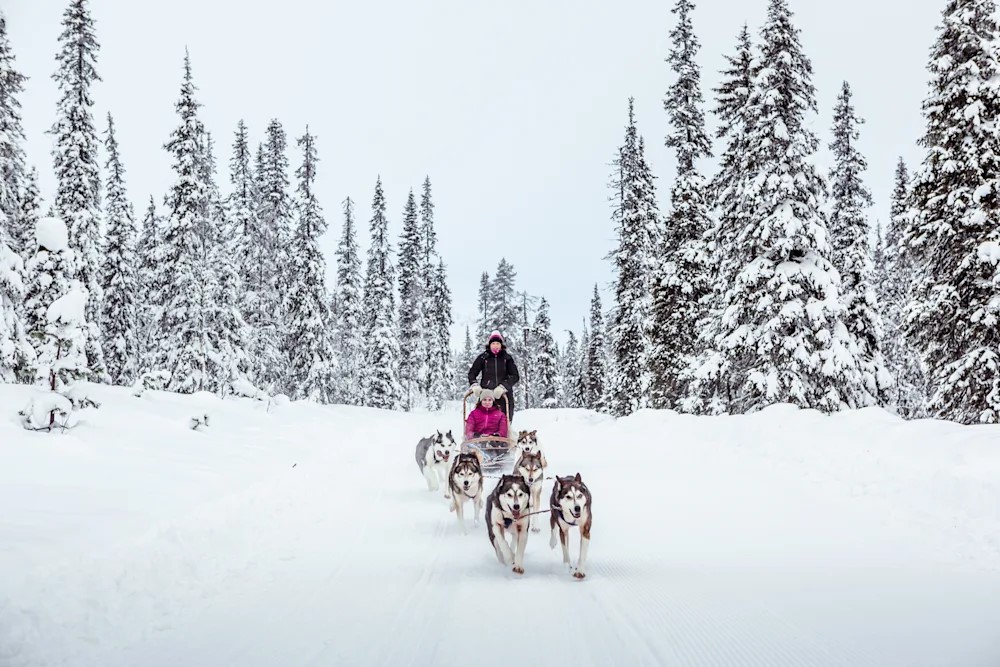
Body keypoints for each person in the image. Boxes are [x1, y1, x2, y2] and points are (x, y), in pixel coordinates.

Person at [468, 330, 520, 423]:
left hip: (504, 396)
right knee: (484, 422)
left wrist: (503, 386)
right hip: (487, 395)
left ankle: (505, 436)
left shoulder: (507, 358)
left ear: (501, 345)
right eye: (493, 343)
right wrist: (474, 385)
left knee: (504, 422)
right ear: (489, 344)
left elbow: (515, 376)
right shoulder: (483, 358)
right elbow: (472, 373)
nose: (495, 345)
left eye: (497, 343)